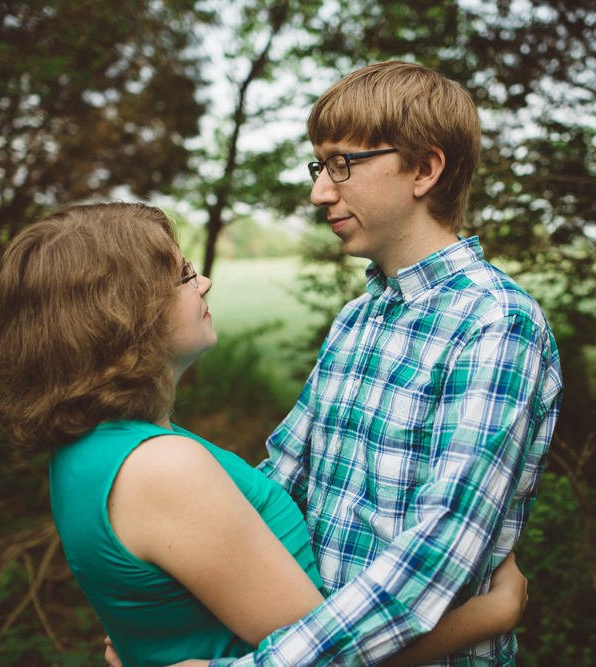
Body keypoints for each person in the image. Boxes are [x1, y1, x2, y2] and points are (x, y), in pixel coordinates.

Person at [0, 202, 529, 667]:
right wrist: (492, 613)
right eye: (182, 274)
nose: (205, 281)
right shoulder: (162, 468)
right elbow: (329, 654)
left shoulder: (89, 451)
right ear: (120, 316)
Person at [199, 60, 564, 666]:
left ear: (424, 168)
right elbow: (278, 489)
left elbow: (429, 562)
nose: (320, 191)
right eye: (320, 166)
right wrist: (169, 615)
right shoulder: (356, 319)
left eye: (343, 163)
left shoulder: (495, 325)